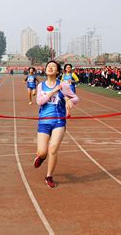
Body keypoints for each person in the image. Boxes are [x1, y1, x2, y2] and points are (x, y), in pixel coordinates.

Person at [33, 60, 79, 188]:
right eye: (48, 66)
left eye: (53, 67)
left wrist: (70, 100)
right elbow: (40, 102)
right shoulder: (41, 86)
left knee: (53, 149)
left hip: (59, 121)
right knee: (42, 152)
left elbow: (76, 98)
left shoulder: (63, 85)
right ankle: (41, 158)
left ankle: (49, 176)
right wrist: (53, 92)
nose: (50, 68)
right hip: (44, 121)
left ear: (58, 71)